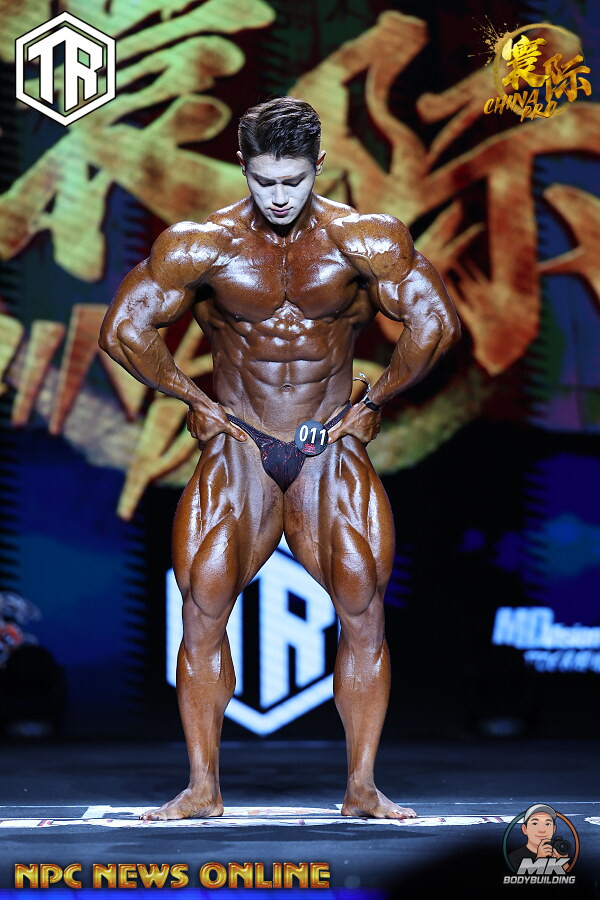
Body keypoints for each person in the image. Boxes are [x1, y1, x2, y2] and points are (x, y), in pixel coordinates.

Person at [99, 96, 461, 820]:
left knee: (362, 606)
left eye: (293, 180)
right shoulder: (202, 245)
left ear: (318, 165)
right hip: (241, 444)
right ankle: (202, 787)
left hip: (327, 446)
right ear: (243, 167)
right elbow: (124, 329)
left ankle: (362, 787)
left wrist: (375, 399)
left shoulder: (364, 240)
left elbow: (436, 322)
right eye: (264, 180)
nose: (279, 196)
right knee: (202, 607)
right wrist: (193, 398)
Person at [508, 804, 569, 871]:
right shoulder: (514, 857)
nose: (542, 830)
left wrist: (563, 863)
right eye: (535, 823)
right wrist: (539, 860)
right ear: (525, 829)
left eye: (547, 824)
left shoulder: (558, 852)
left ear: (554, 829)